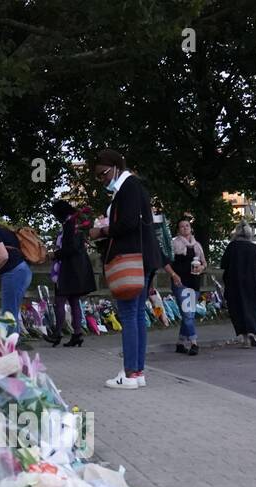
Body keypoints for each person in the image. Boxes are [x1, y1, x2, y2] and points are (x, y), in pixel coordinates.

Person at [87, 149, 161, 389]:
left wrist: (103, 231)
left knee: (129, 315)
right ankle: (137, 372)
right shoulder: (135, 186)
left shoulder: (128, 187)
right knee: (138, 315)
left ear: (115, 167)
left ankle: (129, 373)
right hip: (145, 258)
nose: (102, 180)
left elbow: (127, 223)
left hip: (131, 259)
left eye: (103, 174)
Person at [50, 199, 96, 347]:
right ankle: (77, 334)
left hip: (69, 269)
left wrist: (55, 254)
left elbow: (71, 248)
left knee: (60, 301)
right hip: (78, 269)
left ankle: (57, 333)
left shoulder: (70, 225)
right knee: (74, 301)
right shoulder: (75, 223)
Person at [221, 221, 256, 347]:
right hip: (252, 283)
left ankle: (245, 337)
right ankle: (251, 332)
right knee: (252, 307)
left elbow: (223, 264)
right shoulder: (254, 248)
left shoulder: (231, 247)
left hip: (234, 283)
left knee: (237, 309)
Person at [0, 220, 31, 332]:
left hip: (13, 272)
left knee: (9, 312)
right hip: (23, 270)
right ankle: (14, 340)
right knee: (13, 310)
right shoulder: (4, 231)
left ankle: (9, 344)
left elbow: (3, 256)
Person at [169, 218, 206, 354]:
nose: (185, 228)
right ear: (178, 230)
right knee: (188, 313)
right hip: (181, 282)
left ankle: (180, 343)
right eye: (182, 226)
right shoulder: (174, 244)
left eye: (187, 225)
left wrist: (201, 268)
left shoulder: (197, 245)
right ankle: (194, 343)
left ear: (191, 228)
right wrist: (173, 275)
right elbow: (167, 262)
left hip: (194, 283)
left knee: (189, 313)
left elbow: (204, 263)